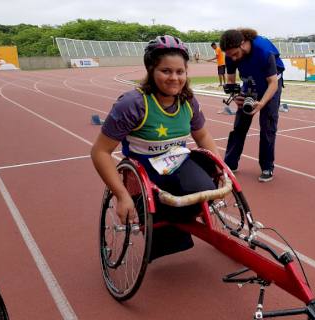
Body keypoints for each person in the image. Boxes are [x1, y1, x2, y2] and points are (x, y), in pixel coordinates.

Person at [91, 35, 220, 260]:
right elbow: (100, 151)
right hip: (144, 170)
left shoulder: (188, 101)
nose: (174, 78)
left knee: (206, 189)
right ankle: (160, 223)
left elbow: (203, 135)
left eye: (180, 72)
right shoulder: (132, 104)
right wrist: (121, 195)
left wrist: (220, 167)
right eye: (166, 71)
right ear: (151, 70)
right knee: (163, 207)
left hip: (175, 162)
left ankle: (174, 220)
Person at [220, 28, 284, 182]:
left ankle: (267, 167)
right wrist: (236, 97)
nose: (233, 59)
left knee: (267, 126)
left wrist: (261, 104)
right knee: (240, 126)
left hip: (270, 85)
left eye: (235, 54)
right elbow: (231, 81)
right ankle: (230, 163)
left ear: (243, 44)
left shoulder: (263, 51)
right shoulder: (230, 54)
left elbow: (273, 83)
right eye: (230, 56)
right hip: (249, 84)